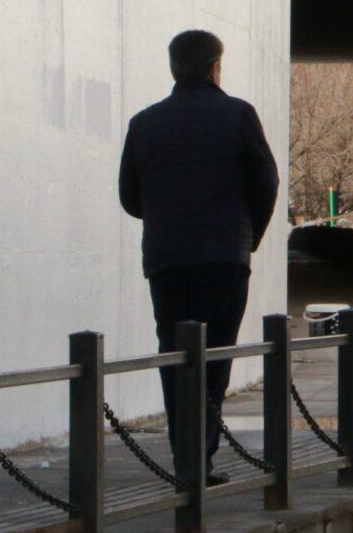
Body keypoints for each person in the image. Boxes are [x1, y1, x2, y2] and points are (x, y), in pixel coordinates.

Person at [118, 30, 280, 485]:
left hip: (166, 260)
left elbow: (130, 198)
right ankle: (200, 460)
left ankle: (185, 459)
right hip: (224, 259)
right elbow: (266, 181)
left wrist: (166, 215)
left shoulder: (144, 123)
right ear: (215, 67)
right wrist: (248, 237)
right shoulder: (238, 115)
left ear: (174, 68)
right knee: (214, 357)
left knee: (174, 355)